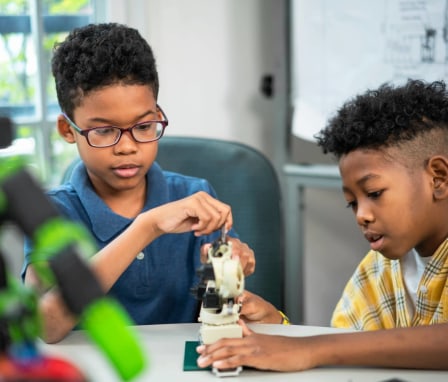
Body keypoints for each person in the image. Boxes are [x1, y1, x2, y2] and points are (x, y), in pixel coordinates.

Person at [21, 22, 258, 344]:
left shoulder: (194, 196)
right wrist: (147, 226)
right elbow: (44, 325)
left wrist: (227, 270)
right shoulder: (48, 213)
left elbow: (218, 312)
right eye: (103, 130)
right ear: (67, 130)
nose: (127, 146)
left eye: (144, 125)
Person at [196, 79, 448, 371]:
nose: (361, 215)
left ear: (438, 178)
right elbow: (347, 346)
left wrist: (307, 348)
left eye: (375, 194)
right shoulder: (378, 270)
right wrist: (278, 328)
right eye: (352, 203)